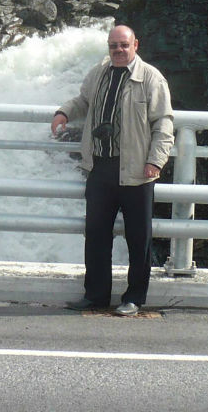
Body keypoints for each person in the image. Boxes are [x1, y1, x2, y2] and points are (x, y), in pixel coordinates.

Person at [51, 24, 173, 315]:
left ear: (135, 45)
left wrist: (155, 160)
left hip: (136, 171)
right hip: (100, 167)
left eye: (123, 45)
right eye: (113, 46)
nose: (118, 50)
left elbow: (164, 123)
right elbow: (83, 101)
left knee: (138, 238)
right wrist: (63, 112)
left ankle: (134, 298)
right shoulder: (99, 73)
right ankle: (95, 296)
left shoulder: (151, 78)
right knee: (96, 235)